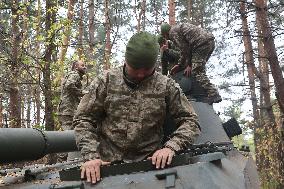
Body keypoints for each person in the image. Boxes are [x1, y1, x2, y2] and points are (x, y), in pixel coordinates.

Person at [73, 31, 201, 184]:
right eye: (135, 68)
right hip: (106, 167)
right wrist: (91, 156)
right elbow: (83, 119)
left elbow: (190, 121)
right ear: (126, 60)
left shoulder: (166, 86)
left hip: (152, 165)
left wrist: (171, 147)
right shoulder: (105, 81)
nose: (141, 75)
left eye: (147, 70)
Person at [160, 23, 222, 104]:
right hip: (209, 41)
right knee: (199, 68)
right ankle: (210, 93)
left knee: (197, 71)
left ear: (165, 33)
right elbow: (185, 50)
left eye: (165, 36)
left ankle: (213, 94)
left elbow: (185, 50)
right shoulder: (177, 28)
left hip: (200, 44)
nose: (166, 38)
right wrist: (180, 65)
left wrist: (189, 65)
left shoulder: (172, 32)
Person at [58, 60, 87, 130]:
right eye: (82, 65)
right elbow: (69, 85)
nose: (85, 67)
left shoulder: (72, 75)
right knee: (69, 135)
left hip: (67, 110)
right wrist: (82, 92)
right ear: (76, 67)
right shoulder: (75, 75)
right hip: (68, 111)